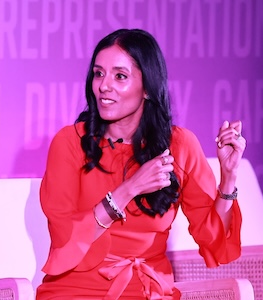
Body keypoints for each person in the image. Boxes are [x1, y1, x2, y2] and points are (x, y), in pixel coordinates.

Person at [36, 28, 246, 299]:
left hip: (150, 291)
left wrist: (228, 176)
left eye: (120, 76)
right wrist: (128, 189)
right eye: (99, 74)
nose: (104, 86)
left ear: (147, 88)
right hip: (77, 291)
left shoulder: (180, 146)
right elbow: (64, 238)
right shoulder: (70, 143)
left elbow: (216, 244)